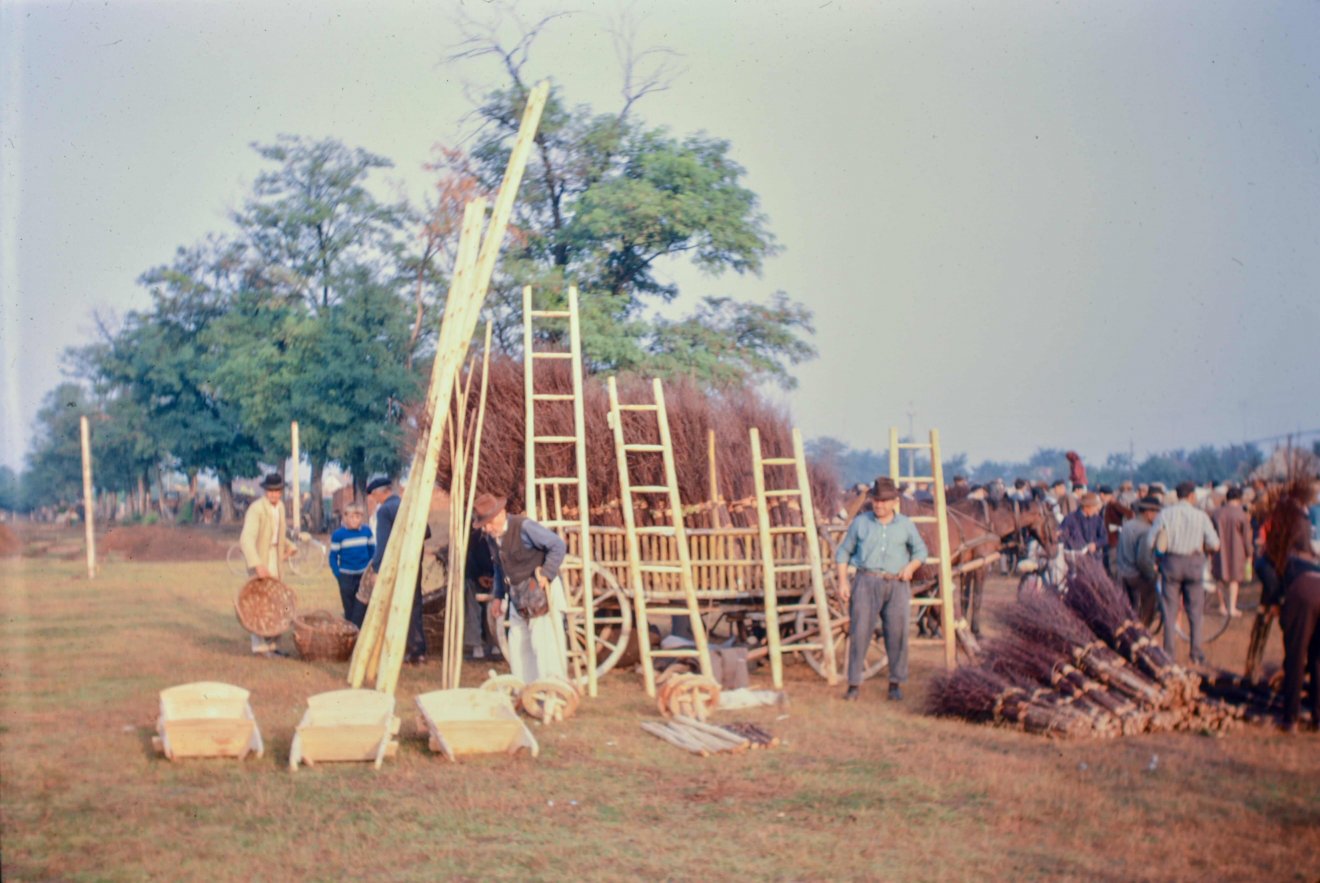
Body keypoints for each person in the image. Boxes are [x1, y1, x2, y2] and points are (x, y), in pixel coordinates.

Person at [834, 477, 928, 702]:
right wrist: (843, 582)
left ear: (895, 502)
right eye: (876, 500)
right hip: (866, 582)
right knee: (860, 633)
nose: (879, 505)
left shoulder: (905, 525)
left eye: (884, 501)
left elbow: (920, 552)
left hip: (897, 585)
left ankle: (895, 683)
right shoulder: (861, 523)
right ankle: (854, 685)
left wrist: (910, 568)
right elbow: (843, 553)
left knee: (897, 634)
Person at [474, 492, 569, 684]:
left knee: (545, 645)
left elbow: (557, 545)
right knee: (519, 646)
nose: (487, 528)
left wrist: (547, 572)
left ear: (501, 514)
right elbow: (499, 567)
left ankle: (552, 691)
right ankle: (527, 691)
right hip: (517, 596)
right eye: (484, 524)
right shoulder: (493, 538)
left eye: (489, 522)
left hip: (541, 593)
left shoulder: (524, 527)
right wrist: (499, 596)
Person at [1151, 480, 1221, 665]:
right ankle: (1196, 653)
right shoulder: (1201, 516)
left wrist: (1158, 555)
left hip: (1171, 564)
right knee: (1195, 613)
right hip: (1194, 565)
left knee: (1169, 611)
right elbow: (1215, 544)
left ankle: (1169, 654)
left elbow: (1151, 540)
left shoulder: (1165, 514)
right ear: (1191, 496)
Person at [362, 476, 428, 664]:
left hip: (397, 565)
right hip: (414, 561)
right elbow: (426, 531)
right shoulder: (408, 504)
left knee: (395, 605)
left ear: (381, 493)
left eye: (374, 496)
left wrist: (376, 569)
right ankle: (418, 650)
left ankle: (400, 648)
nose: (375, 500)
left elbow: (382, 544)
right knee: (414, 605)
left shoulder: (385, 511)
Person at [238, 473, 294, 658]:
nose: (274, 495)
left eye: (277, 491)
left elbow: (277, 532)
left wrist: (289, 546)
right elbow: (246, 539)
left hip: (276, 557)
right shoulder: (256, 509)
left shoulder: (281, 507)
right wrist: (257, 565)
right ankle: (260, 647)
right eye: (271, 491)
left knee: (278, 601)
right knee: (260, 602)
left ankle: (273, 645)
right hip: (262, 557)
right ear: (265, 491)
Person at [1115, 496, 1162, 625]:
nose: (1158, 516)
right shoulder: (1146, 530)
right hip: (1136, 576)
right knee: (1149, 600)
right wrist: (1152, 574)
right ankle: (1144, 628)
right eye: (1156, 513)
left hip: (1122, 574)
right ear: (1148, 514)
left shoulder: (1127, 525)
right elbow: (1143, 560)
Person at [328, 503, 374, 622]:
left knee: (362, 607)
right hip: (346, 576)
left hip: (363, 576)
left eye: (357, 517)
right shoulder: (339, 535)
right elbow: (333, 557)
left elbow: (372, 553)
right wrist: (338, 574)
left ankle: (361, 633)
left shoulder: (367, 532)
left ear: (362, 518)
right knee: (349, 608)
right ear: (345, 517)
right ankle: (351, 634)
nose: (354, 520)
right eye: (351, 517)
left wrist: (370, 572)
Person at [1211, 487, 1251, 618]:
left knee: (1219, 578)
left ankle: (1222, 606)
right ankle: (1232, 607)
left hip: (1219, 548)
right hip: (1237, 549)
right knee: (1234, 579)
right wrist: (1249, 552)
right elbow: (1246, 536)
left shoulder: (1216, 513)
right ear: (1239, 499)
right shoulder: (1241, 514)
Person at [1060, 493, 1105, 560]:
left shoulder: (1098, 519)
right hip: (1074, 559)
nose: (1096, 511)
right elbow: (1061, 536)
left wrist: (1096, 544)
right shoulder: (1070, 519)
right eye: (1095, 508)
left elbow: (1105, 537)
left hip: (1094, 558)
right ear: (1087, 507)